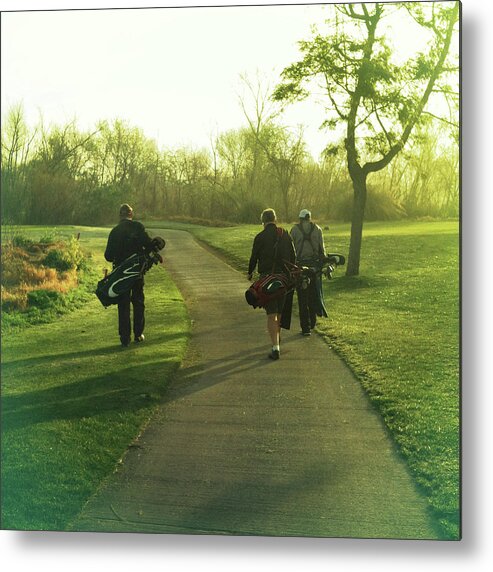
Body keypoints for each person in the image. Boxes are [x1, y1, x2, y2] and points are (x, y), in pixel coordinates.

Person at [247, 208, 295, 360]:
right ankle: (277, 340)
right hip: (283, 280)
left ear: (263, 221)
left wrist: (249, 272)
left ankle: (275, 347)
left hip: (267, 279)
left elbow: (254, 257)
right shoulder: (285, 234)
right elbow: (293, 256)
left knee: (271, 315)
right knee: (279, 313)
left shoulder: (260, 237)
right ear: (275, 219)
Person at [104, 203, 154, 347]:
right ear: (131, 214)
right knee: (138, 301)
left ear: (120, 215)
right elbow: (149, 245)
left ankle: (125, 338)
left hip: (121, 274)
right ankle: (138, 334)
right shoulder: (138, 227)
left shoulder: (115, 231)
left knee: (123, 304)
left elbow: (108, 256)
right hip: (137, 271)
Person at [290, 208, 328, 336]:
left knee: (302, 298)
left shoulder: (294, 230)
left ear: (300, 218)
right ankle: (312, 323)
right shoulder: (317, 229)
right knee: (313, 295)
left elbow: (291, 250)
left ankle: (305, 328)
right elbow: (322, 250)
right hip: (314, 268)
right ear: (309, 217)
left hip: (300, 268)